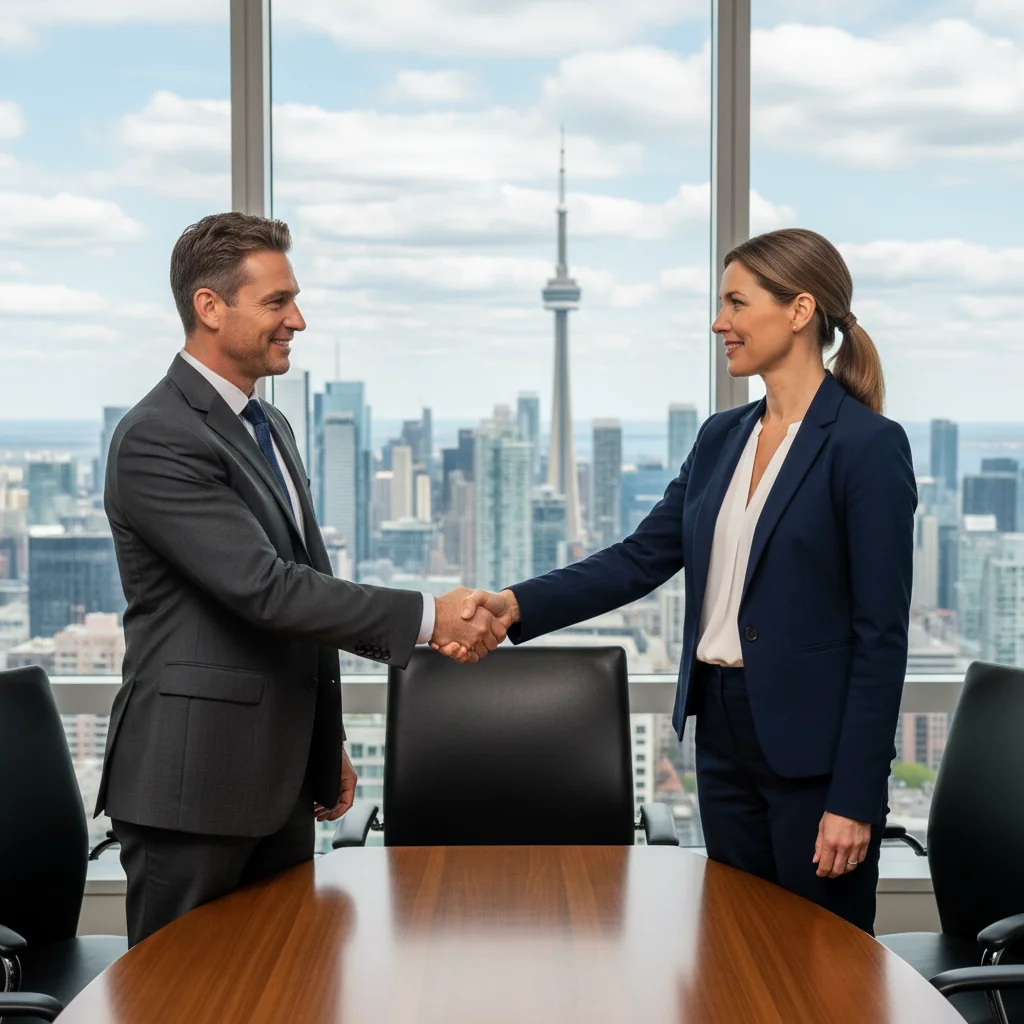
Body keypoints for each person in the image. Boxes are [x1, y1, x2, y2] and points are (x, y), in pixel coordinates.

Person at [446, 228, 916, 933]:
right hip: (722, 733)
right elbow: (639, 558)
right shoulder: (722, 436)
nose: (719, 322)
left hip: (814, 752)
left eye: (735, 302)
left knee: (821, 966)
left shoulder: (866, 447)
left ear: (799, 311)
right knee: (735, 949)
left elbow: (881, 640)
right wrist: (515, 605)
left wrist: (856, 798)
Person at [99, 212, 505, 947]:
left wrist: (324, 744)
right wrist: (429, 617)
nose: (299, 320)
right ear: (210, 307)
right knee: (181, 999)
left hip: (274, 779)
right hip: (191, 786)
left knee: (281, 987)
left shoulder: (268, 425)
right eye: (277, 302)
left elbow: (304, 587)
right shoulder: (159, 435)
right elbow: (265, 588)